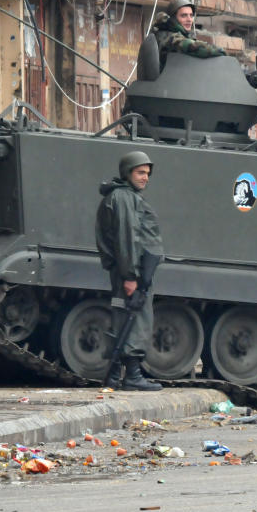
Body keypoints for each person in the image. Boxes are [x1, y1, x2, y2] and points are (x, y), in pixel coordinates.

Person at [95, 151, 165, 391]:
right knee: (135, 318)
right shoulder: (124, 198)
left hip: (133, 270)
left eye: (147, 173)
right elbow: (127, 240)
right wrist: (130, 276)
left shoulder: (127, 196)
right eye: (140, 172)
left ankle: (115, 375)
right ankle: (132, 375)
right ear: (127, 173)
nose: (146, 178)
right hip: (130, 271)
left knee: (127, 317)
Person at [153, 0, 226, 66]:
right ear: (173, 19)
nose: (189, 19)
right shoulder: (168, 37)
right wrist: (219, 51)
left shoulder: (179, 35)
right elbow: (191, 46)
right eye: (184, 16)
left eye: (191, 15)